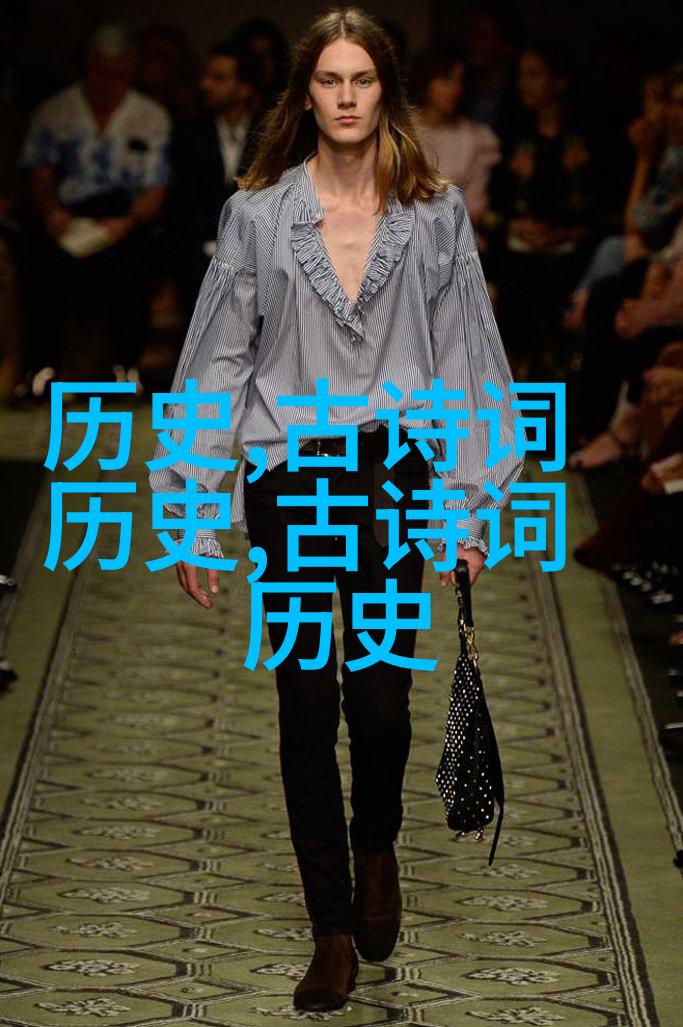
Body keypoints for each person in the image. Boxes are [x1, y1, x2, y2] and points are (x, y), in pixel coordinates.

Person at [149, 6, 523, 1013]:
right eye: (329, 79)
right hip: (292, 480)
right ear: (305, 93)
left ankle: (376, 845)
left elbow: (468, 360)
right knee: (307, 702)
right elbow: (217, 362)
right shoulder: (257, 215)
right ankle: (329, 929)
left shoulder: (433, 214)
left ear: (383, 89)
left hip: (396, 476)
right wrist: (191, 513)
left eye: (362, 79)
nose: (346, 97)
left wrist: (467, 503)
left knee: (382, 704)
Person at [20, 23, 170, 384]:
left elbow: (155, 189)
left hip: (124, 218)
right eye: (100, 72)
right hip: (66, 215)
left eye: (117, 75)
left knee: (138, 261)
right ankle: (42, 369)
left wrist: (127, 222)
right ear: (86, 66)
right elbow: (39, 176)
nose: (106, 83)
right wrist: (51, 213)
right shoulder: (54, 111)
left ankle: (124, 368)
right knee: (39, 259)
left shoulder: (150, 117)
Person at [167, 41, 265, 320]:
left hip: (256, 258)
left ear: (245, 88)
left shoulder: (270, 134)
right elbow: (180, 205)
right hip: (196, 258)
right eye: (206, 75)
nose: (205, 84)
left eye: (219, 78)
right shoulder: (189, 132)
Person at [411, 45, 501, 236]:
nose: (455, 89)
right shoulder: (401, 132)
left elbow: (475, 205)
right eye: (446, 80)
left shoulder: (475, 138)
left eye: (460, 81)